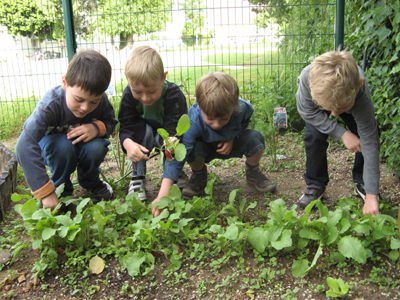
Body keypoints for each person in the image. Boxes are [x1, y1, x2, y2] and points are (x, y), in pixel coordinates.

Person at [16, 50, 118, 210]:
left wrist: (97, 128)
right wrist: (44, 191)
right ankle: (60, 191)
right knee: (63, 146)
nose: (85, 107)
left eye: (93, 102)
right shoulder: (50, 106)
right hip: (55, 148)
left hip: (82, 145)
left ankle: (91, 182)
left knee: (97, 146)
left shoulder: (101, 101)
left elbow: (112, 122)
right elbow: (24, 145)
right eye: (79, 99)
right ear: (65, 83)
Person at [296, 50, 380, 216]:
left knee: (367, 134)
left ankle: (363, 182)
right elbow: (307, 112)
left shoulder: (360, 93)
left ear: (359, 85)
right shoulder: (308, 81)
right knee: (314, 135)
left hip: (352, 103)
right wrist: (341, 133)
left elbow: (369, 140)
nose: (334, 114)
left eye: (340, 108)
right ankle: (316, 183)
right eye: (330, 109)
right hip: (321, 105)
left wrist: (372, 194)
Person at [181, 72, 276, 197]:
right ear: (198, 104)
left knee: (255, 137)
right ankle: (198, 174)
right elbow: (183, 150)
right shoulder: (192, 121)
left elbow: (245, 121)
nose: (216, 125)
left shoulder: (242, 107)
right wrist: (169, 179)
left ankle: (253, 171)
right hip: (205, 147)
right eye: (210, 118)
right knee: (193, 147)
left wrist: (233, 137)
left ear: (234, 106)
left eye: (224, 119)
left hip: (232, 143)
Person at [118, 45, 188, 217]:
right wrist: (128, 144)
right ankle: (137, 177)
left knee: (174, 143)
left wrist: (171, 140)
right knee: (137, 135)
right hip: (143, 134)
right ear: (128, 81)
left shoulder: (173, 95)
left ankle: (173, 174)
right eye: (138, 91)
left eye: (151, 91)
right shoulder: (128, 96)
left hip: (166, 134)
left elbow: (176, 130)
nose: (145, 97)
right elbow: (126, 126)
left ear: (163, 78)